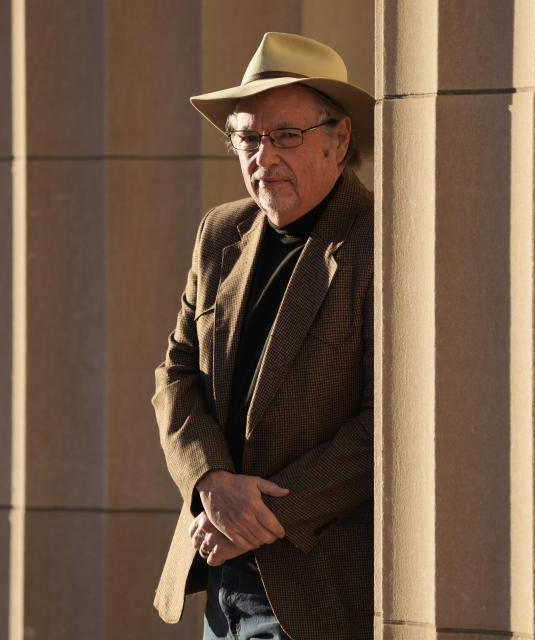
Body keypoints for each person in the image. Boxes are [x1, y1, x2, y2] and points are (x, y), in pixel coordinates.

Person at [152, 32, 374, 640]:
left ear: (340, 139)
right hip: (221, 581)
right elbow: (175, 374)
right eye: (247, 138)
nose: (263, 157)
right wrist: (209, 483)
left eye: (286, 136)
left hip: (320, 586)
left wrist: (251, 515)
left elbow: (391, 423)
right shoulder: (221, 231)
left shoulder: (381, 241)